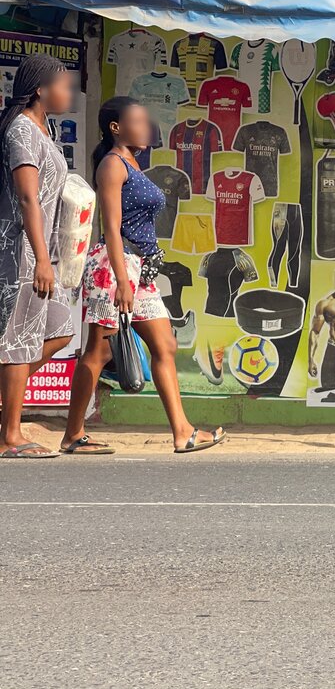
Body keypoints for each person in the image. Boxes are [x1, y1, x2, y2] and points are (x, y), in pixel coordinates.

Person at [61, 96, 225, 454]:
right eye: (136, 121)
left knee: (165, 345)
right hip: (115, 266)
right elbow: (113, 228)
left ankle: (183, 433)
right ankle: (73, 433)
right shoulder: (112, 165)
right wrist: (122, 281)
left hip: (142, 269)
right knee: (98, 353)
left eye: (146, 121)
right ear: (116, 127)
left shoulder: (133, 162)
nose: (145, 127)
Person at [0, 55, 75, 459]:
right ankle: (9, 436)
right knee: (18, 341)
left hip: (41, 251)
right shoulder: (21, 131)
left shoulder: (44, 131)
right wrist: (41, 260)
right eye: (62, 85)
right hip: (21, 253)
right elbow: (28, 196)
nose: (69, 92)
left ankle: (6, 406)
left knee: (60, 330)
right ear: (40, 90)